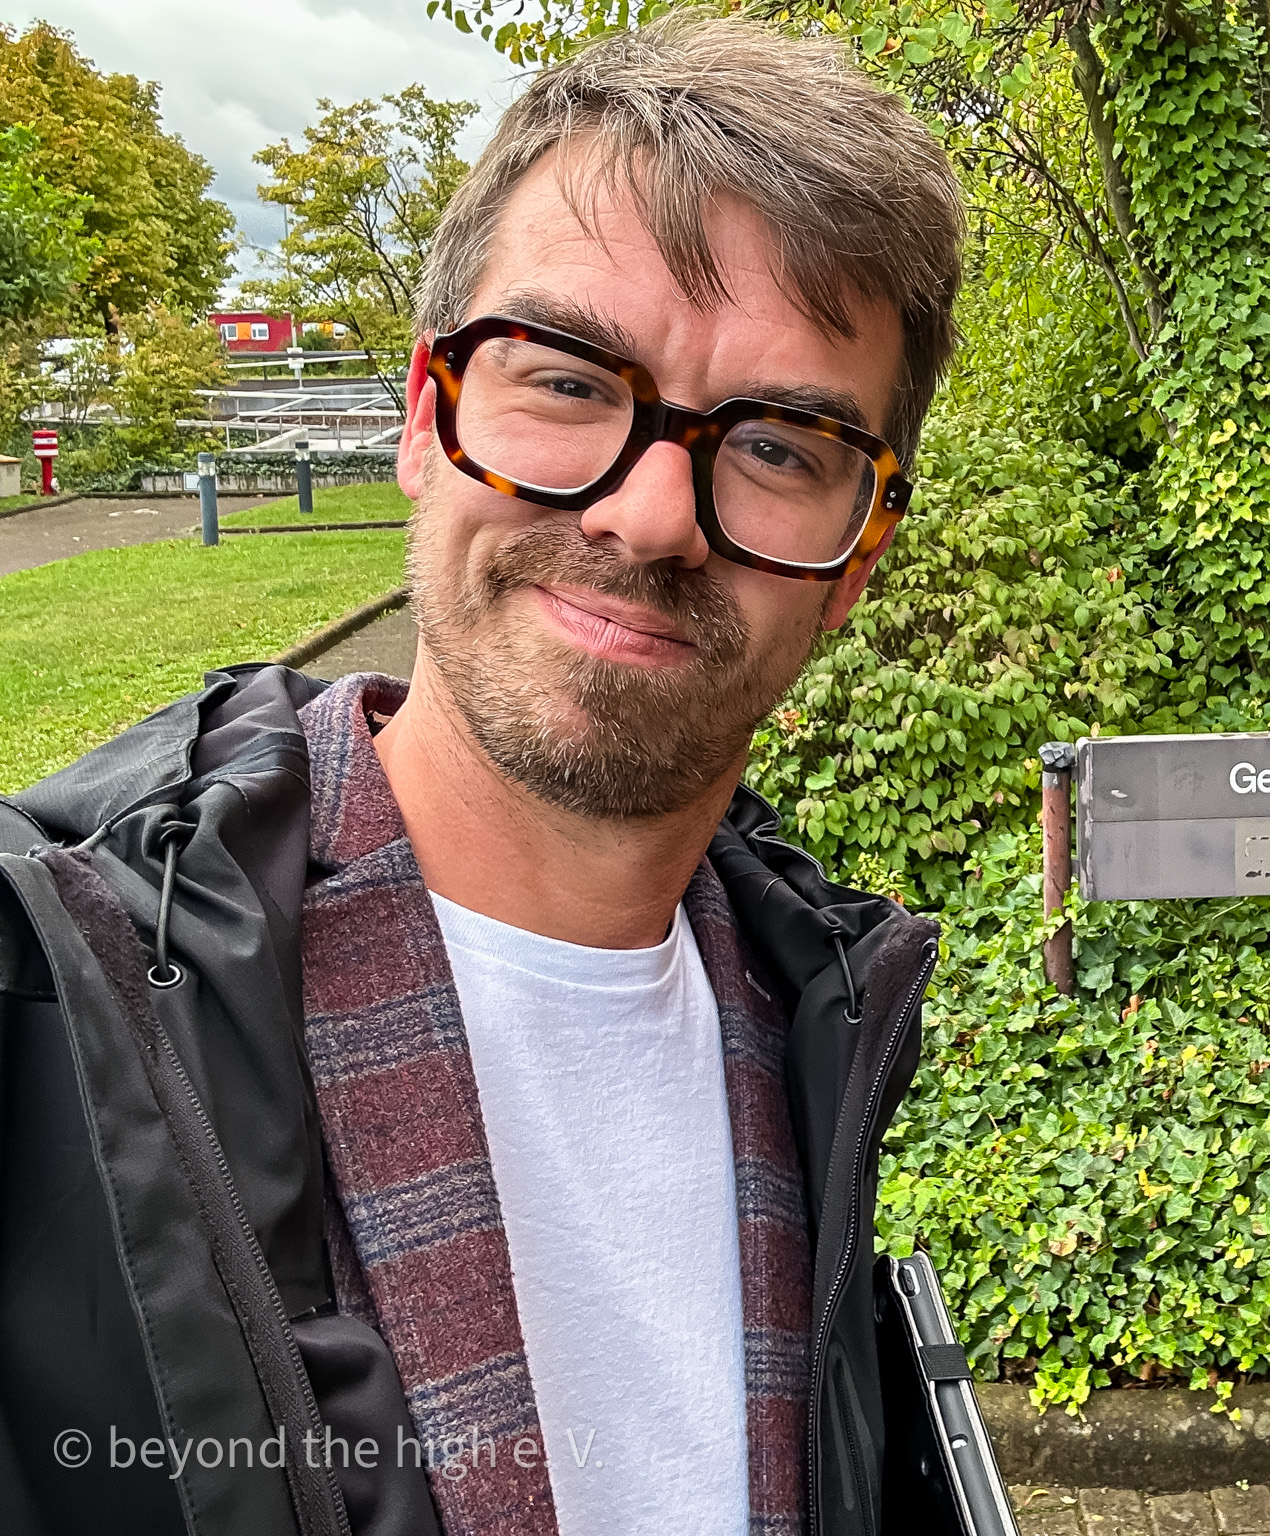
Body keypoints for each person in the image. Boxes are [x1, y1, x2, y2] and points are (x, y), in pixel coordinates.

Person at [0, 15, 963, 1536]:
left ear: (856, 558)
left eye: (778, 446)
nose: (653, 519)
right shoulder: (45, 1008)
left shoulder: (815, 1022)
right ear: (423, 417)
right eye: (571, 379)